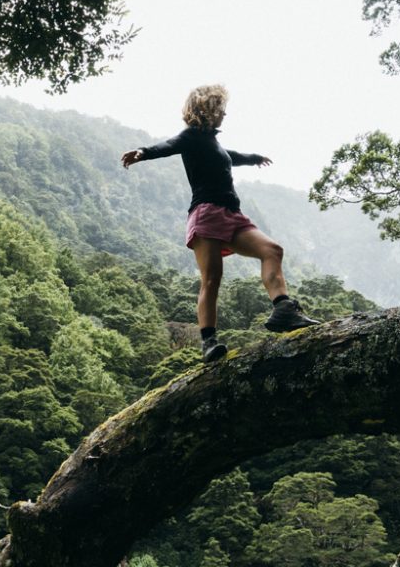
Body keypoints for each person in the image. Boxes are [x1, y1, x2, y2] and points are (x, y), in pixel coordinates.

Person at [121, 84, 318, 362]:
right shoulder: (191, 137)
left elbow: (230, 156)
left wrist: (254, 159)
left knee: (272, 250)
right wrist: (143, 152)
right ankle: (209, 342)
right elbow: (168, 146)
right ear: (208, 109)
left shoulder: (214, 143)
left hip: (233, 215)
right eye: (221, 108)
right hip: (207, 214)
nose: (225, 113)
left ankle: (283, 309)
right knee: (212, 278)